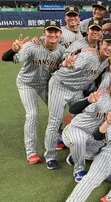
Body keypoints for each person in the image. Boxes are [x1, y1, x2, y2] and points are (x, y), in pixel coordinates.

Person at [43, 34, 111, 170]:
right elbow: (67, 65)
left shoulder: (106, 62)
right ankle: (50, 156)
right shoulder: (88, 56)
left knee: (81, 118)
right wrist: (65, 64)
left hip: (77, 89)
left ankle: (76, 147)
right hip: (60, 85)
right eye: (107, 44)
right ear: (100, 43)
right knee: (55, 121)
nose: (109, 48)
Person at [1, 20, 64, 164]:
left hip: (45, 85)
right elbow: (6, 58)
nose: (53, 34)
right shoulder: (32, 46)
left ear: (60, 34)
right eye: (50, 31)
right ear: (44, 33)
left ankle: (57, 138)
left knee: (57, 109)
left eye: (56, 31)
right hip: (26, 83)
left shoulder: (61, 51)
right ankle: (31, 152)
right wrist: (14, 50)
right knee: (32, 114)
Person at [63, 72, 111, 182]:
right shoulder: (99, 98)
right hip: (77, 129)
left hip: (97, 136)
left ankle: (76, 155)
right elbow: (73, 110)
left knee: (103, 152)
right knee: (79, 139)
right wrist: (87, 101)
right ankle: (79, 170)